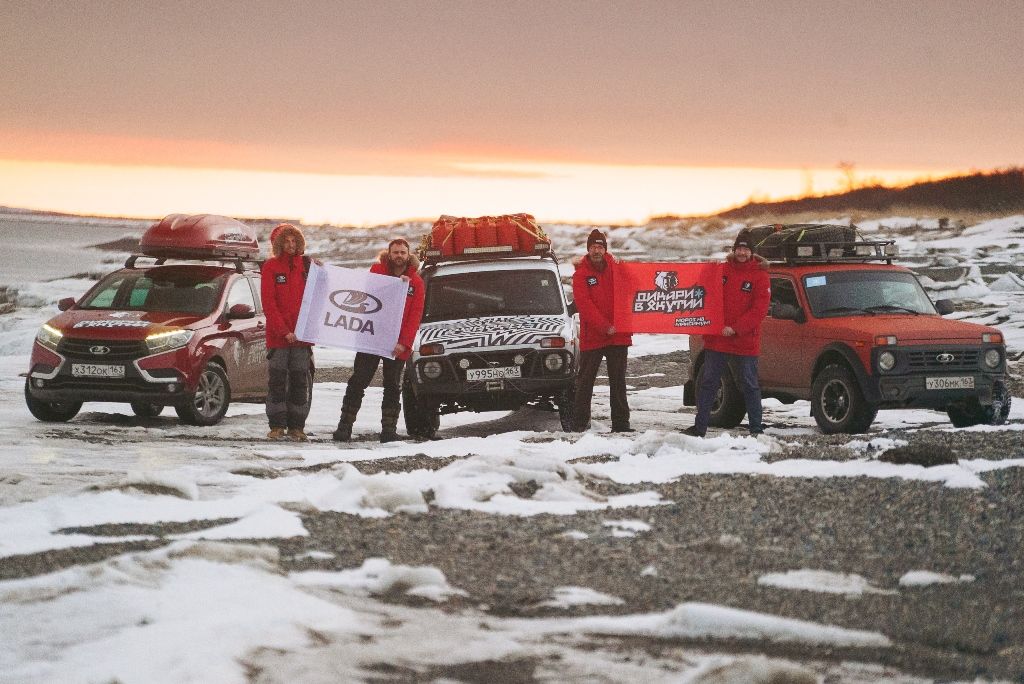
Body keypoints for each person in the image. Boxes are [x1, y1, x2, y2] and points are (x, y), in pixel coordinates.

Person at [333, 238, 425, 443]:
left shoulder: (416, 282)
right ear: (389, 254)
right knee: (358, 381)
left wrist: (405, 343)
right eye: (395, 252)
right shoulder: (376, 273)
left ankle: (389, 430)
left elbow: (415, 316)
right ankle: (344, 426)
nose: (399, 256)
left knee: (392, 386)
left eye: (403, 252)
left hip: (397, 343)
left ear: (408, 255)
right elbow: (363, 297)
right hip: (372, 338)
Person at [685, 229, 771, 437]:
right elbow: (702, 292)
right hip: (718, 339)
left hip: (744, 340)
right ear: (734, 250)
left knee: (750, 385)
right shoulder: (720, 270)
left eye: (746, 249)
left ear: (752, 252)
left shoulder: (760, 276)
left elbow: (759, 310)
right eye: (739, 248)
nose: (742, 252)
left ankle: (756, 429)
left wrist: (736, 328)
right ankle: (700, 427)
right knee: (708, 383)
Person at [571, 229, 633, 432]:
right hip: (594, 337)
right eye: (593, 247)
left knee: (618, 382)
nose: (596, 250)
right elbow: (585, 305)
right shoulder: (581, 274)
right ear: (588, 249)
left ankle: (621, 424)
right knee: (585, 382)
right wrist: (605, 327)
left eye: (599, 246)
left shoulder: (619, 270)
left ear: (605, 249)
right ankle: (580, 424)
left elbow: (636, 290)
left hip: (619, 336)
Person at [261, 223, 314, 441]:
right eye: (287, 241)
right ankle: (276, 426)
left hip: (302, 338)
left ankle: (297, 427)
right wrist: (284, 331)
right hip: (279, 338)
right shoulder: (271, 267)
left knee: (300, 382)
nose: (291, 245)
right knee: (277, 382)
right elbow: (269, 303)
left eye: (295, 241)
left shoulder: (308, 266)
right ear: (278, 244)